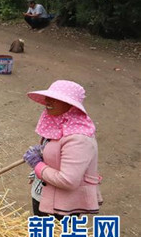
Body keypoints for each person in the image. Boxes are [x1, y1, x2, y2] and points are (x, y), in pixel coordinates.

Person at [22, 80, 102, 218]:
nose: (48, 101)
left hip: (61, 207)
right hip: (45, 196)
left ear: (71, 105)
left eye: (56, 99)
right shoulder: (58, 124)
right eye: (48, 97)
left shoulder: (79, 139)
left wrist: (37, 165)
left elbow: (68, 180)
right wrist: (42, 153)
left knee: (53, 232)